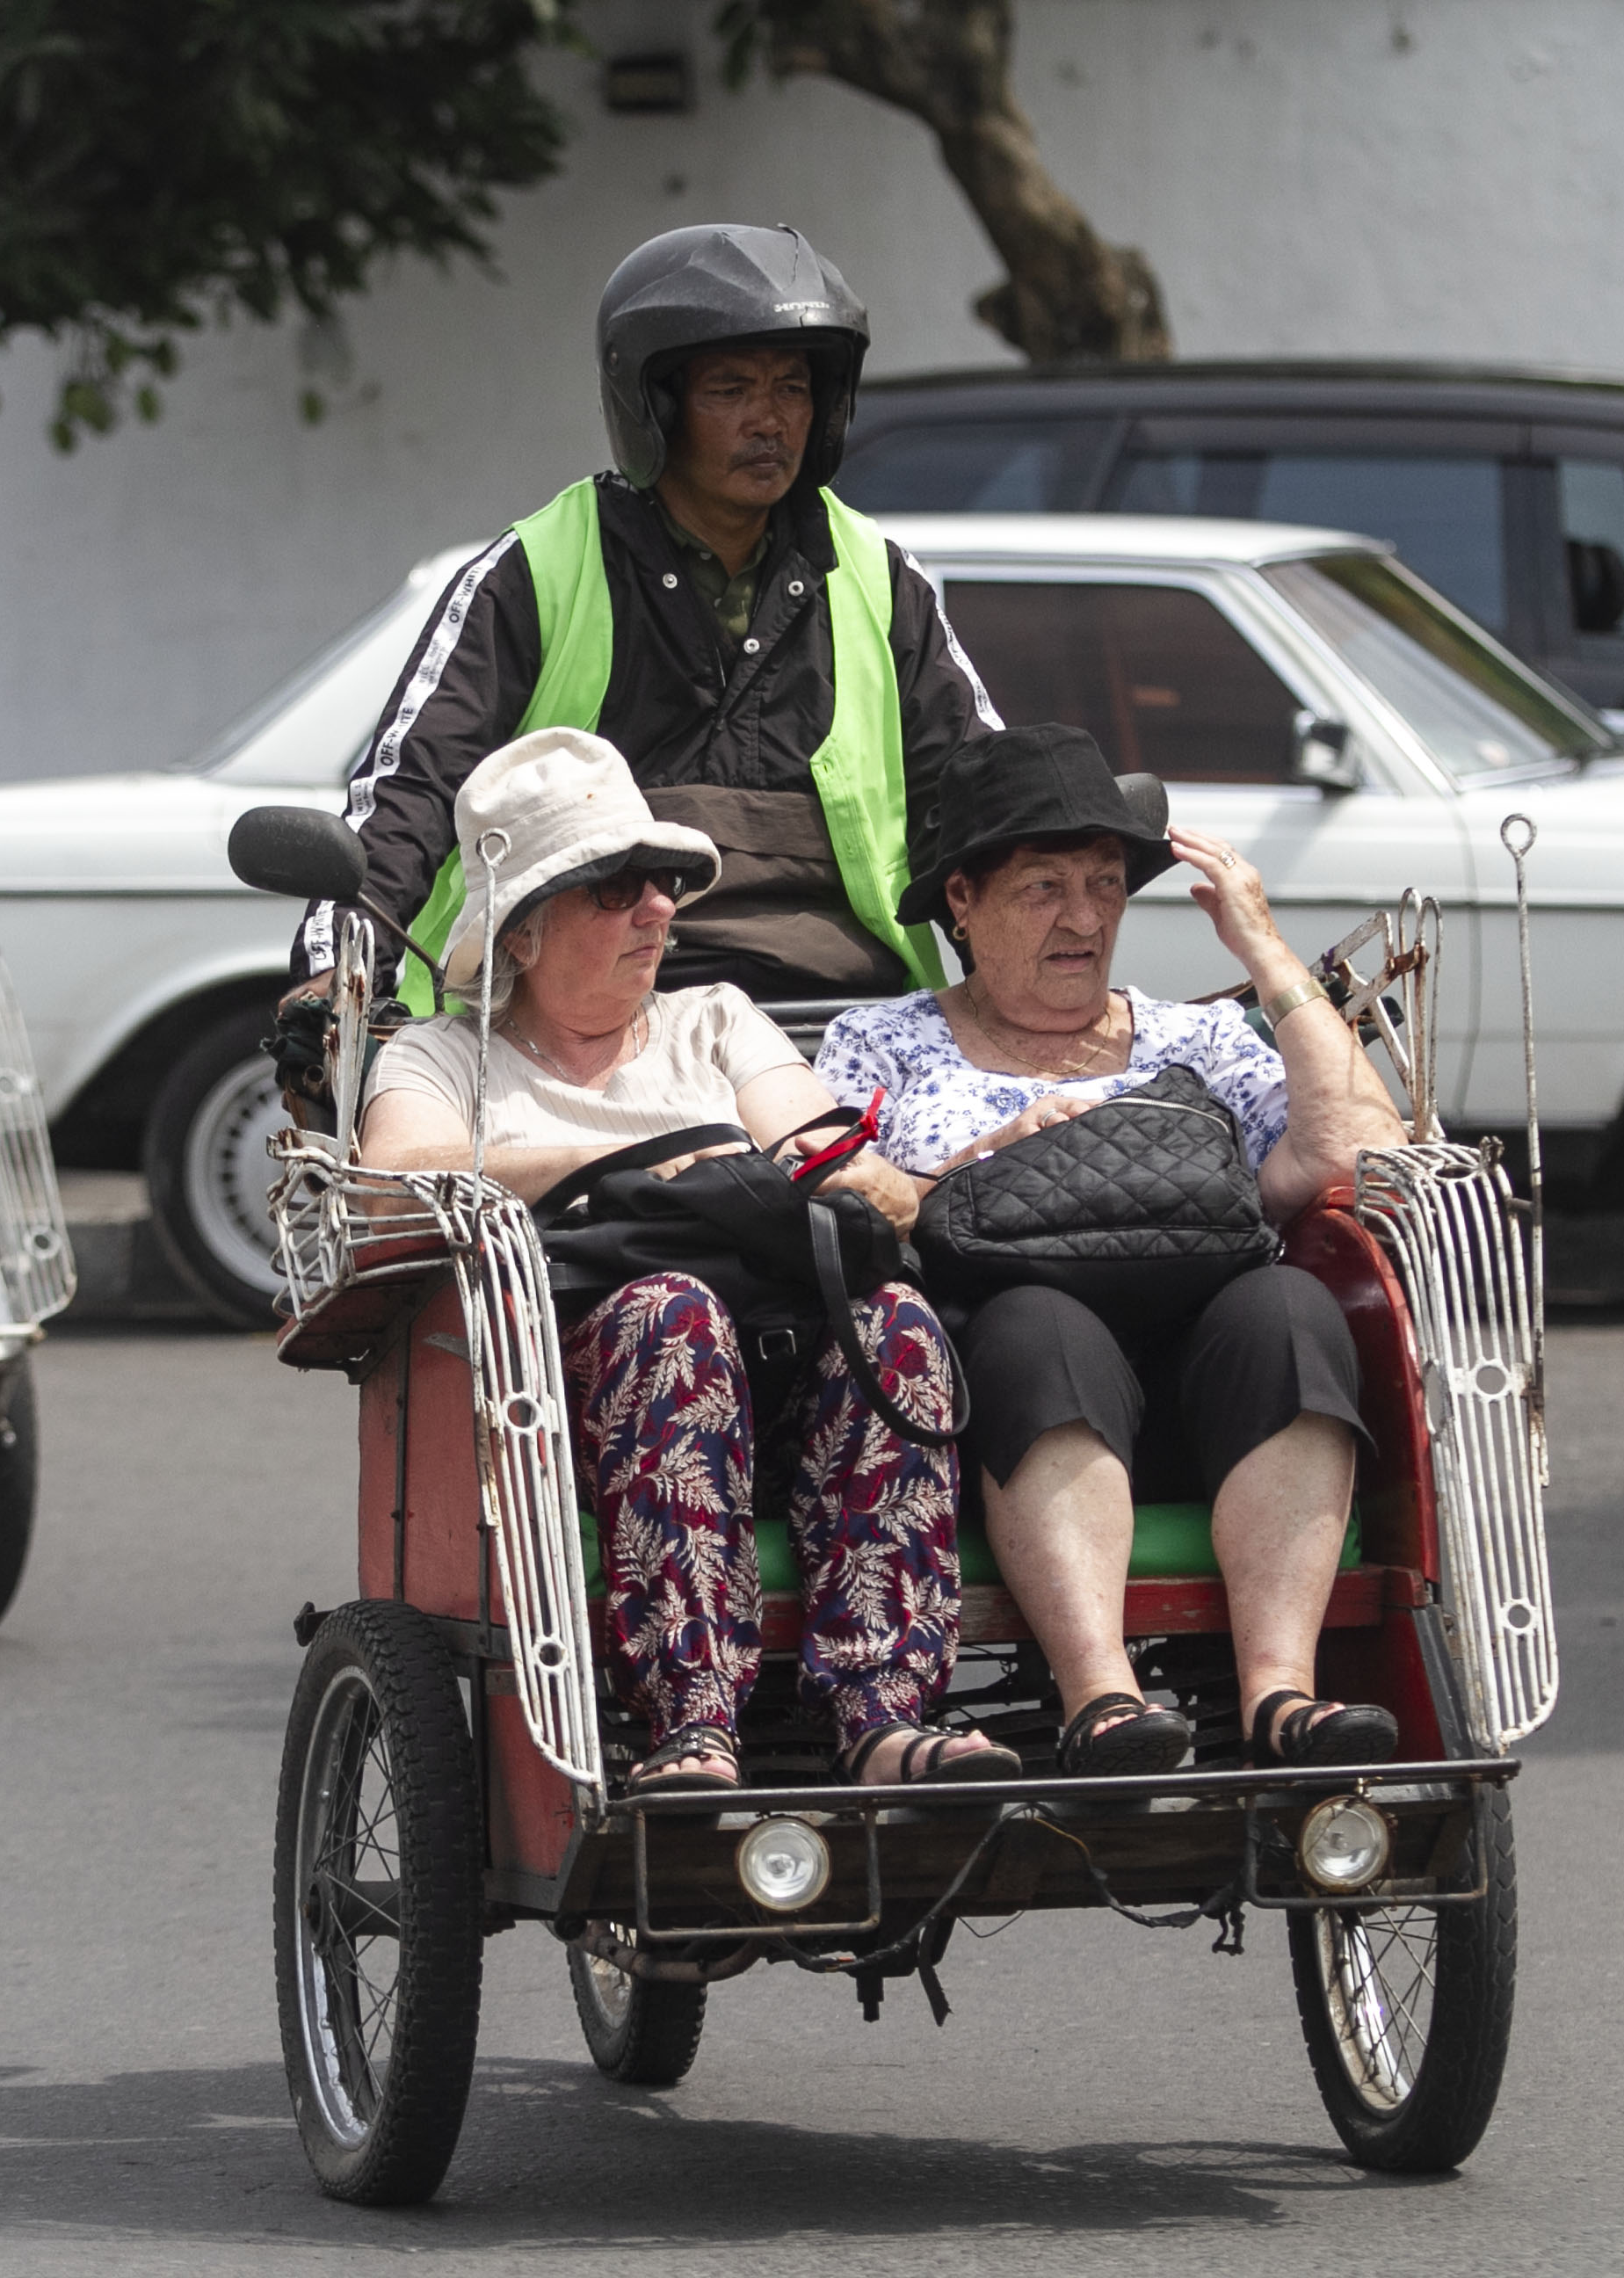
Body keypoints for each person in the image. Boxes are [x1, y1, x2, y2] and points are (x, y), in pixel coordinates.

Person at [356, 728, 1018, 1794]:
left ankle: (886, 1715)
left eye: (662, 881)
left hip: (780, 1366)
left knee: (894, 1326)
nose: (657, 908)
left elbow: (822, 1150)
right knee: (669, 1313)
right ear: (521, 933)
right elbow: (397, 1177)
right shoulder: (441, 1055)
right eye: (616, 888)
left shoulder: (715, 1022)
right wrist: (624, 1159)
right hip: (555, 1408)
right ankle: (694, 1722)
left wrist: (852, 1173)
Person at [814, 726, 1415, 1776]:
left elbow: (1361, 1152)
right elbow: (852, 1202)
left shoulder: (1202, 1039)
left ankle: (1282, 1694)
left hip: (1205, 1393)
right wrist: (971, 1165)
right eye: (1044, 887)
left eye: (1105, 884)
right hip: (1000, 1391)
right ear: (962, 900)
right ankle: (1103, 1699)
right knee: (1041, 1328)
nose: (1086, 917)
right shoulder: (883, 1041)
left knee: (1290, 1308)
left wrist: (1265, 952)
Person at [287, 222, 1002, 1016]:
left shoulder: (879, 575)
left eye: (792, 388)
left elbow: (982, 796)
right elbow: (411, 791)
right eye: (731, 390)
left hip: (846, 1027)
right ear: (654, 408)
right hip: (574, 1033)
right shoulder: (537, 570)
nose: (770, 420)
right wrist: (334, 980)